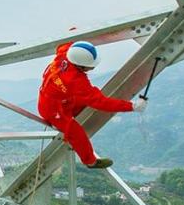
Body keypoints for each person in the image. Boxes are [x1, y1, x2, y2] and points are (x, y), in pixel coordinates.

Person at [38, 41, 148, 169]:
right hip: (53, 110)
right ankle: (90, 161)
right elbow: (101, 102)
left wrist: (75, 32)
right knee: (76, 133)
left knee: (88, 100)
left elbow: (65, 44)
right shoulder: (76, 81)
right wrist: (132, 106)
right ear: (80, 66)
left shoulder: (65, 54)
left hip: (61, 99)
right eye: (91, 66)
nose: (92, 68)